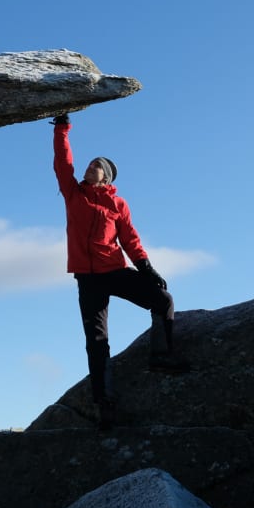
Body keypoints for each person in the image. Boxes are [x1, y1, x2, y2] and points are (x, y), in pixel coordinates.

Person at [50, 112, 189, 430]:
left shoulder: (117, 205)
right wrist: (62, 129)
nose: (88, 167)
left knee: (162, 299)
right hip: (87, 279)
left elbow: (129, 238)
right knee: (97, 343)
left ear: (106, 177)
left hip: (115, 270)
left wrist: (146, 267)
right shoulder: (74, 194)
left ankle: (161, 356)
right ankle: (105, 406)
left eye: (95, 166)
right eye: (88, 164)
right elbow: (62, 162)